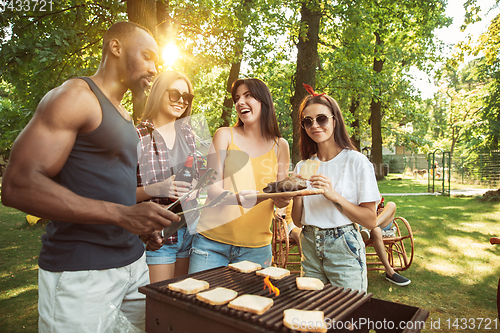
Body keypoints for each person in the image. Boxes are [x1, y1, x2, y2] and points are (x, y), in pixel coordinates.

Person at [0, 21, 181, 332]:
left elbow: (107, 187)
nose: (154, 69)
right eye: (148, 56)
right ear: (115, 47)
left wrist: (137, 226)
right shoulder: (77, 96)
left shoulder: (124, 115)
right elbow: (18, 185)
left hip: (133, 264)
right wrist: (122, 214)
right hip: (81, 272)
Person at [189, 78, 291, 273]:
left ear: (264, 101)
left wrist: (285, 197)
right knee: (199, 302)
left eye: (248, 96)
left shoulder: (281, 146)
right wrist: (237, 198)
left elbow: (279, 199)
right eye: (237, 98)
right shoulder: (225, 135)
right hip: (211, 244)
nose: (239, 102)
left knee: (250, 304)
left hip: (256, 250)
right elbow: (212, 189)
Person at [291, 84, 380, 292]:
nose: (315, 125)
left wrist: (334, 196)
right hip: (309, 243)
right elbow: (297, 220)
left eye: (321, 118)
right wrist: (296, 194)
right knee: (313, 313)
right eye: (308, 121)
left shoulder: (357, 162)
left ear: (334, 120)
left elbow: (370, 219)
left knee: (348, 316)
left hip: (344, 246)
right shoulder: (302, 166)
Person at [136, 70, 199, 283]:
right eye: (174, 94)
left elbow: (195, 176)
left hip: (189, 232)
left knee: (180, 302)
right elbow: (117, 194)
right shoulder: (139, 136)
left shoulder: (188, 135)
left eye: (186, 97)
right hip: (158, 235)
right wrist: (158, 189)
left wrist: (199, 184)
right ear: (158, 93)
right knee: (160, 304)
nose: (181, 101)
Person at [360, 200, 411, 286]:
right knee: (376, 231)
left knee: (391, 204)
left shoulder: (372, 188)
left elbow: (379, 201)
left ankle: (370, 227)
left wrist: (381, 211)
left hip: (378, 221)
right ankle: (390, 272)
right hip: (364, 222)